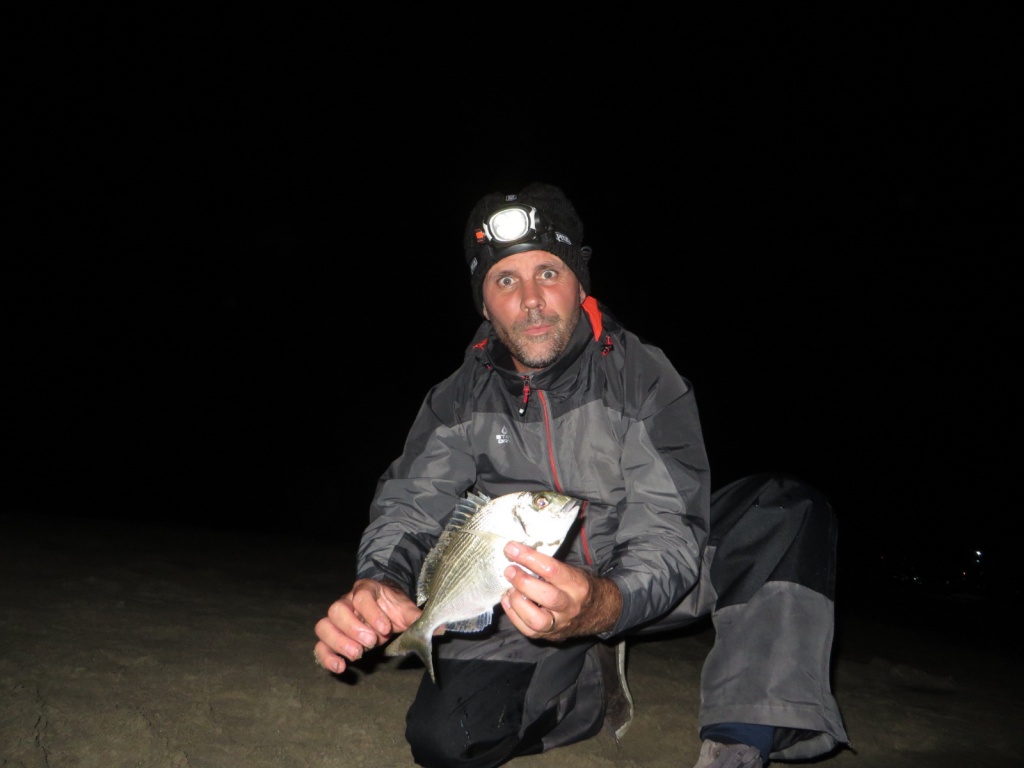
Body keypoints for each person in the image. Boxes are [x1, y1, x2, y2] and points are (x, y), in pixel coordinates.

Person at [314, 182, 849, 768]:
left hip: (643, 576)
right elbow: (411, 503)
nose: (532, 301)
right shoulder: (456, 400)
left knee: (785, 509)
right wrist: (380, 579)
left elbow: (670, 528)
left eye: (548, 272)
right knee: (446, 742)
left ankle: (742, 737)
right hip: (519, 592)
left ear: (578, 282)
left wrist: (601, 603)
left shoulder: (644, 376)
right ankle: (584, 688)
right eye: (506, 281)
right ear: (485, 304)